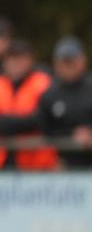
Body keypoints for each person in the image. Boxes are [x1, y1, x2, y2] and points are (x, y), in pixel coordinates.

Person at [0, 39, 57, 170]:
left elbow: (41, 120)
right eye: (11, 60)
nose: (15, 64)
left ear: (30, 60)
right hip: (3, 162)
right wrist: (24, 122)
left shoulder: (43, 82)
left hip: (37, 165)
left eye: (20, 59)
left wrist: (4, 123)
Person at [38, 36, 92, 167]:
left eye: (72, 61)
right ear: (56, 64)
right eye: (64, 61)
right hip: (62, 166)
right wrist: (70, 135)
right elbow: (44, 130)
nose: (69, 66)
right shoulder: (49, 94)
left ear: (82, 60)